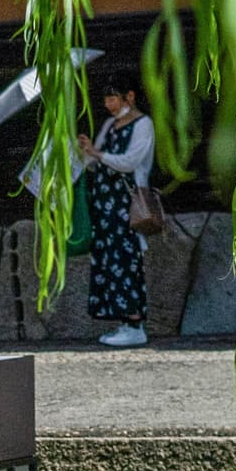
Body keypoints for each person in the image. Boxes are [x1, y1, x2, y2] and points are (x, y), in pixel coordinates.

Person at [74, 70, 156, 351]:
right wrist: (84, 150)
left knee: (126, 259)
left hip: (125, 204)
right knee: (109, 261)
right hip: (105, 205)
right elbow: (95, 162)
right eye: (106, 99)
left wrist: (97, 153)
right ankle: (123, 321)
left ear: (129, 97)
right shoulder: (110, 125)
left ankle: (134, 324)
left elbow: (130, 162)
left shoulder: (143, 125)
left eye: (113, 98)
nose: (108, 104)